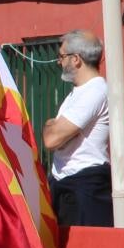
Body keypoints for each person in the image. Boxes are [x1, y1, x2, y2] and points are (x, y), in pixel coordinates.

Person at [43, 29, 113, 227]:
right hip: (67, 184)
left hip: (84, 186)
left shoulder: (95, 90)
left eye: (61, 56)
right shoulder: (79, 92)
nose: (59, 62)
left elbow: (51, 139)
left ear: (76, 59)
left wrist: (50, 124)